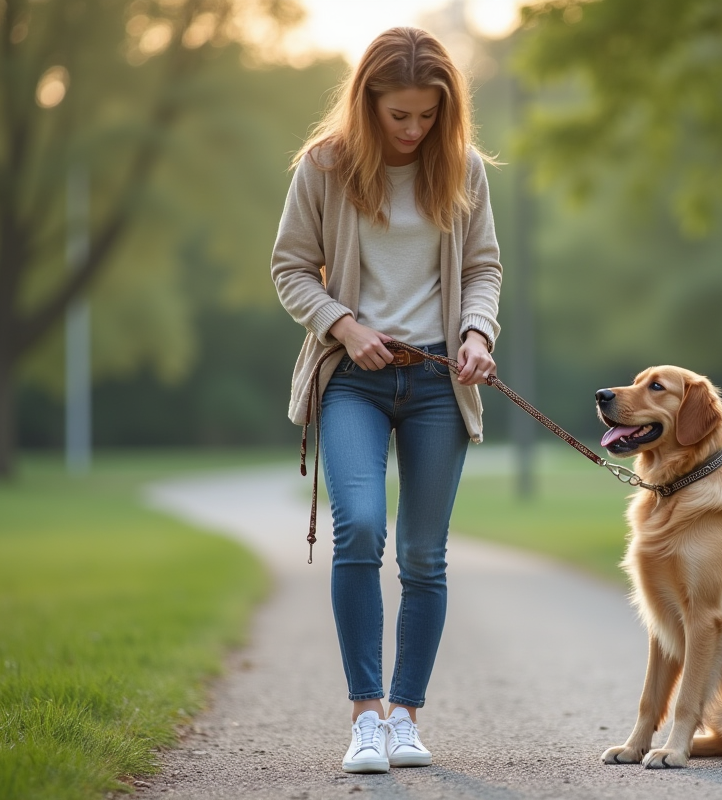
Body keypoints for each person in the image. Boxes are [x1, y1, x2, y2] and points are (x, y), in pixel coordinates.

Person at [270, 27, 502, 774]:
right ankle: (365, 716)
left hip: (440, 381)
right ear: (367, 103)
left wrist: (475, 333)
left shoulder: (461, 168)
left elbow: (484, 267)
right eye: (399, 115)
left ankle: (407, 715)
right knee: (361, 526)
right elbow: (290, 267)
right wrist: (344, 324)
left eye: (427, 116)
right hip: (354, 380)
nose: (413, 130)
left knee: (424, 555)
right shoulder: (325, 168)